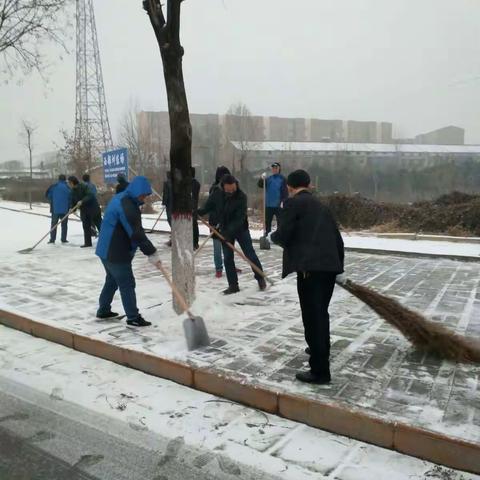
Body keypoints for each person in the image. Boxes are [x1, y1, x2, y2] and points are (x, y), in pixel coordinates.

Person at [269, 169, 344, 385]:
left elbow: (284, 234)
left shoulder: (292, 204)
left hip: (310, 270)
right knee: (321, 314)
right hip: (328, 269)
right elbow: (337, 239)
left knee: (313, 318)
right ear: (309, 184)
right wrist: (339, 269)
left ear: (290, 187)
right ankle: (319, 350)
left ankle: (319, 371)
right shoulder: (322, 206)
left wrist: (272, 236)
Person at [95, 176, 159, 327]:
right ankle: (133, 317)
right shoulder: (127, 205)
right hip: (115, 251)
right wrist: (151, 252)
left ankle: (103, 310)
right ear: (136, 191)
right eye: (143, 195)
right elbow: (136, 233)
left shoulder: (122, 198)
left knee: (112, 280)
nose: (144, 198)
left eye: (146, 195)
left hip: (105, 249)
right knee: (127, 283)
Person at [217, 174, 266, 295]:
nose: (232, 190)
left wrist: (229, 232)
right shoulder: (220, 195)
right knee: (228, 258)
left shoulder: (241, 196)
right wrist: (199, 212)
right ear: (224, 187)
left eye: (233, 188)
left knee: (250, 254)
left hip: (241, 230)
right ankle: (233, 285)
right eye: (229, 189)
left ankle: (260, 278)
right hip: (225, 230)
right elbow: (213, 208)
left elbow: (239, 218)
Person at [198, 166, 230, 278]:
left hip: (226, 222)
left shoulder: (229, 189)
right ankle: (219, 268)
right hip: (215, 222)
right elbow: (209, 206)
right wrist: (197, 212)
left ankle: (230, 265)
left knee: (228, 246)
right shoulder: (215, 189)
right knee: (217, 246)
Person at [68, 176, 102, 248]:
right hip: (84, 210)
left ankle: (106, 242)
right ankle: (88, 243)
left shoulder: (83, 186)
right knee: (86, 226)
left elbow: (90, 195)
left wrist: (82, 201)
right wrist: (72, 209)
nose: (69, 184)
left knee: (99, 225)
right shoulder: (72, 191)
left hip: (93, 209)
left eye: (69, 183)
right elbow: (73, 201)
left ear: (73, 182)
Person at [258, 162, 288, 234]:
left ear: (279, 169)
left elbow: (285, 192)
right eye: (273, 168)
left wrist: (283, 201)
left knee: (280, 222)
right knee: (267, 222)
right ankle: (267, 235)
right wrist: (262, 178)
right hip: (268, 204)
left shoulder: (282, 179)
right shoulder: (268, 179)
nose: (274, 169)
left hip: (278, 205)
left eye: (276, 168)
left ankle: (279, 236)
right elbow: (261, 185)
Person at [46, 174, 71, 244]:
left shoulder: (53, 187)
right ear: (65, 179)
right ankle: (63, 239)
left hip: (55, 209)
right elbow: (70, 197)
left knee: (54, 224)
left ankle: (52, 239)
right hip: (65, 210)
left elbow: (48, 196)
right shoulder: (67, 187)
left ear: (59, 179)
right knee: (64, 225)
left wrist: (54, 200)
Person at [162, 171, 172, 246]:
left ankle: (173, 239)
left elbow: (166, 194)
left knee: (170, 220)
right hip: (176, 205)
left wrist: (164, 203)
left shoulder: (166, 183)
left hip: (169, 205)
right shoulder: (176, 183)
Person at [191, 167, 201, 250]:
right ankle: (195, 243)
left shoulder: (193, 184)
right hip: (193, 206)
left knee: (193, 225)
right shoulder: (196, 183)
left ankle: (195, 243)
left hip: (192, 207)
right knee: (194, 225)